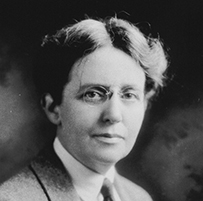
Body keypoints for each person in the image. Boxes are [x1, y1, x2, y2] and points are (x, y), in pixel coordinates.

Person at [0, 16, 168, 201]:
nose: (113, 115)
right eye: (93, 94)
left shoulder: (139, 197)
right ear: (53, 108)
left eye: (129, 95)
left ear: (144, 105)